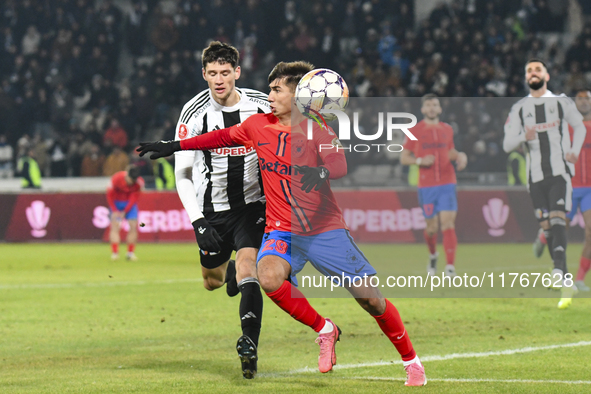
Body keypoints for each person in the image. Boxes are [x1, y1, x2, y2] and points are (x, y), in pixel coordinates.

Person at [137, 61, 427, 387]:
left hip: (323, 229)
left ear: (298, 95)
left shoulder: (317, 129)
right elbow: (217, 138)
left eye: (277, 90)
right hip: (281, 227)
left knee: (370, 299)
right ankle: (325, 329)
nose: (270, 95)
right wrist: (173, 146)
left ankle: (411, 361)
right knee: (269, 277)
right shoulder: (258, 125)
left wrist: (318, 173)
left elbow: (339, 165)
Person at [172, 41, 269, 379]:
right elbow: (182, 173)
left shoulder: (261, 106)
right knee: (211, 282)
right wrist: (198, 222)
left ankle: (249, 346)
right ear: (203, 74)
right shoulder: (193, 113)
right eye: (212, 73)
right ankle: (227, 273)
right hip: (212, 210)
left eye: (225, 72)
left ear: (237, 73)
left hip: (253, 206)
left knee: (249, 267)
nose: (218, 79)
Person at [503, 59, 587, 309]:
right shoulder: (519, 109)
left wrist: (574, 150)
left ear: (546, 75)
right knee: (548, 227)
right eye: (529, 70)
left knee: (559, 218)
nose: (533, 73)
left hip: (559, 172)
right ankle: (565, 280)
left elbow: (579, 126)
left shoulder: (561, 102)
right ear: (525, 77)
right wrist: (523, 137)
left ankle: (559, 272)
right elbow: (508, 144)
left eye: (537, 69)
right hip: (534, 177)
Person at [400, 94, 467, 277]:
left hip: (447, 182)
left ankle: (450, 267)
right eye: (428, 105)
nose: (431, 108)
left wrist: (460, 155)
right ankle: (432, 255)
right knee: (431, 228)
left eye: (434, 105)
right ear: (422, 109)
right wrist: (420, 160)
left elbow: (450, 151)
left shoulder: (447, 129)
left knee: (447, 223)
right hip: (427, 186)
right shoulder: (415, 130)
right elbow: (404, 157)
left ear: (439, 109)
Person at [532, 89, 591, 292]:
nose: (584, 103)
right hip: (568, 184)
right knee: (560, 228)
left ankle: (580, 279)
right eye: (580, 100)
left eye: (587, 99)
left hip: (590, 189)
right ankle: (545, 237)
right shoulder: (565, 126)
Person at [106, 165, 144, 261]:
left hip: (129, 204)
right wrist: (114, 210)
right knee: (115, 226)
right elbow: (110, 195)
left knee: (133, 226)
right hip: (116, 202)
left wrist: (125, 210)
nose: (131, 183)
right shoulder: (116, 178)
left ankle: (130, 253)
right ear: (127, 175)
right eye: (130, 180)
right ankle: (115, 253)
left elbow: (134, 197)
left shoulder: (139, 183)